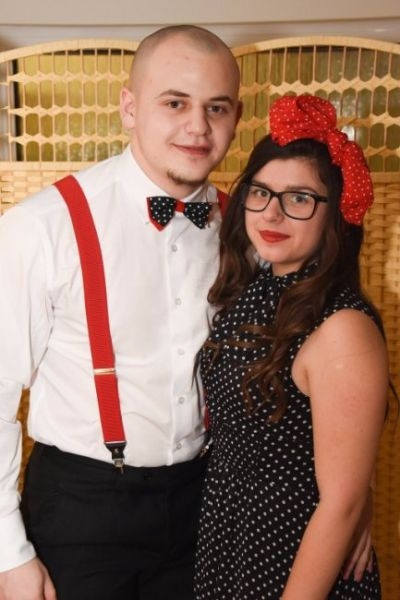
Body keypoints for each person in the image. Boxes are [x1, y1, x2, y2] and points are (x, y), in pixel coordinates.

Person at [0, 26, 374, 600]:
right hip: (81, 513)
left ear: (236, 117)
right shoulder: (41, 227)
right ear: (130, 108)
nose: (197, 127)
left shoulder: (253, 229)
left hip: (210, 507)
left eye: (215, 108)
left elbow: (322, 378)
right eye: (174, 103)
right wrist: (9, 556)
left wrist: (353, 496)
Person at [193, 94, 388, 599]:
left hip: (292, 560)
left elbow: (341, 502)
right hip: (231, 539)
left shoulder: (342, 327)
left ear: (335, 214)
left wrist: (358, 502)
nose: (272, 213)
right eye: (261, 192)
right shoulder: (256, 286)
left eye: (299, 198)